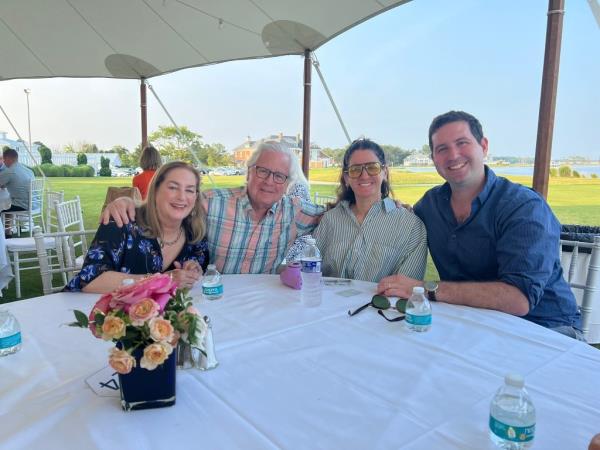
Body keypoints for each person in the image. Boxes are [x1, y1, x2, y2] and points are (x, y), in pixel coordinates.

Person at [377, 111, 582, 339]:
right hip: (474, 326)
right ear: (434, 158)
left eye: (462, 143)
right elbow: (404, 224)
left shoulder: (523, 207)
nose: (453, 155)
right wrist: (390, 209)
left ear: (483, 146)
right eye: (442, 149)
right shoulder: (430, 205)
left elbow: (518, 300)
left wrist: (424, 289)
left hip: (545, 330)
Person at [102, 141, 324, 274]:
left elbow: (334, 215)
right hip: (213, 297)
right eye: (262, 171)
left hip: (261, 301)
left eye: (279, 176)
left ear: (287, 184)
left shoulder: (294, 211)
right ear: (249, 172)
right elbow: (171, 205)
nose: (269, 181)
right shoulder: (213, 202)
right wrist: (133, 204)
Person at [66, 161, 209, 293]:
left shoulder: (195, 233)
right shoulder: (122, 220)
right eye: (173, 187)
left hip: (154, 318)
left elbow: (199, 270)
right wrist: (162, 281)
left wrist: (193, 271)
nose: (182, 197)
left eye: (189, 190)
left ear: (196, 196)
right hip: (91, 312)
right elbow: (90, 281)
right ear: (156, 190)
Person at [313, 138, 427, 282]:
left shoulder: (411, 227)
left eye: (372, 167)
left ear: (384, 173)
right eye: (355, 169)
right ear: (346, 178)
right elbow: (310, 272)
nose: (364, 175)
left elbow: (405, 288)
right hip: (329, 303)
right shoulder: (329, 220)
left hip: (382, 304)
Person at [0, 147, 35, 237]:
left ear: (8, 158)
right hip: (33, 204)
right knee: (7, 204)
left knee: (4, 205)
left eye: (4, 160)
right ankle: (7, 232)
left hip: (21, 205)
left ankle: (3, 235)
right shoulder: (28, 170)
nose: (3, 162)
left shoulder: (9, 171)